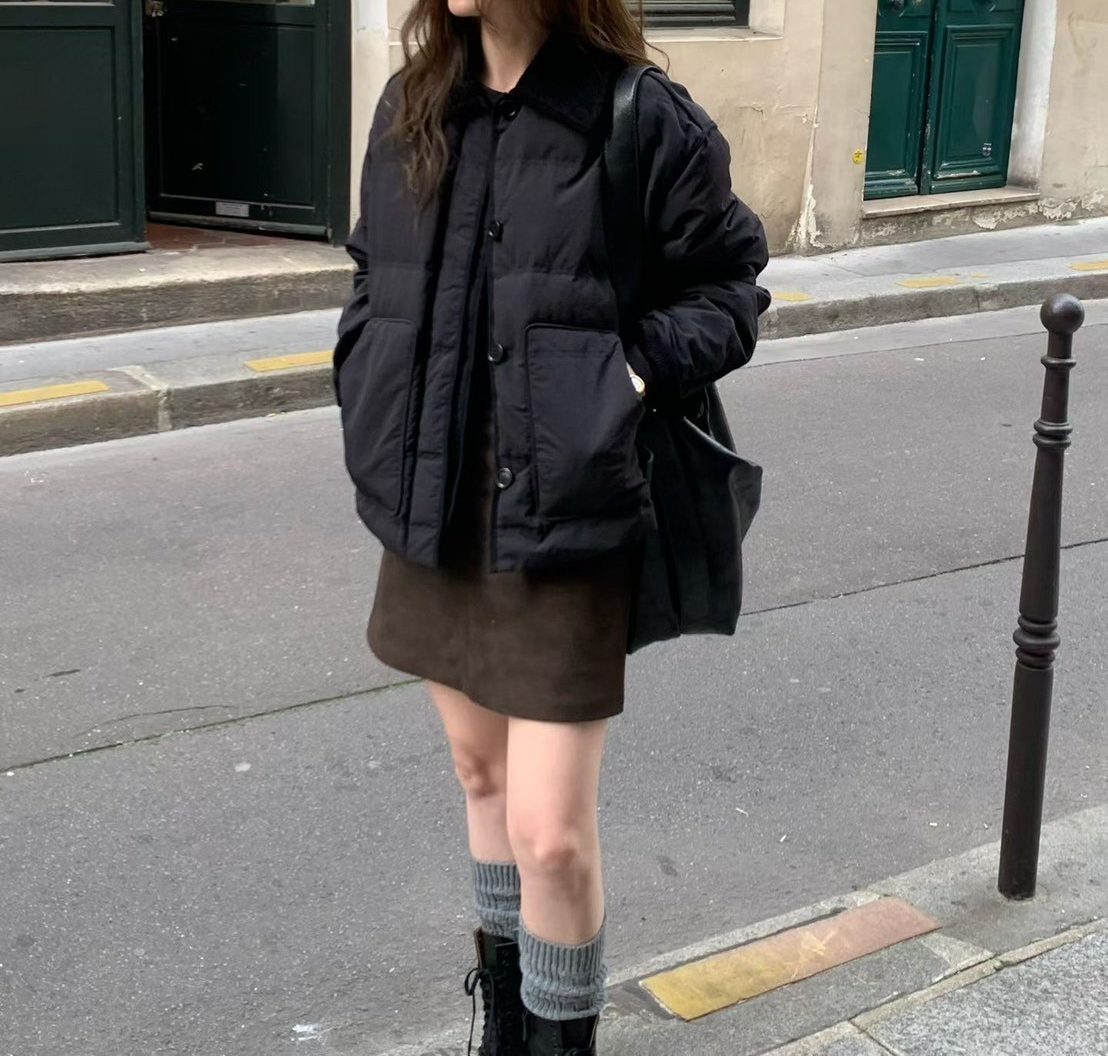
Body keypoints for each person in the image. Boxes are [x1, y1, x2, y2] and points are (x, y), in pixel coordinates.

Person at [332, 0, 770, 1052]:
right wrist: (365, 371)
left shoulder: (637, 114)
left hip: (566, 507)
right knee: (480, 778)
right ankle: (503, 1028)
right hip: (433, 497)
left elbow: (729, 286)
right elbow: (372, 270)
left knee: (551, 835)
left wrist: (626, 376)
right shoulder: (412, 106)